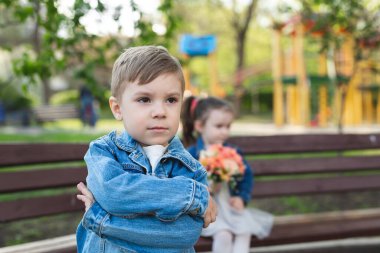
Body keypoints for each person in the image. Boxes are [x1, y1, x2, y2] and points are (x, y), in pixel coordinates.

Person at [76, 46, 217, 253]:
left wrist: (100, 220)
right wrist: (192, 195)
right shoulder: (104, 151)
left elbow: (184, 234)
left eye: (171, 100)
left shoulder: (191, 168)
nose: (160, 111)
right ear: (117, 108)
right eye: (144, 99)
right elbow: (115, 192)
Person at [181, 96, 274, 253]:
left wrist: (241, 197)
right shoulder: (192, 155)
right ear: (199, 126)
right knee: (224, 234)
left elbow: (246, 177)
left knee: (244, 231)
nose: (224, 131)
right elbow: (183, 182)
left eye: (228, 126)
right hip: (206, 211)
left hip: (229, 206)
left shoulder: (233, 153)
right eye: (219, 126)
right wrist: (204, 189)